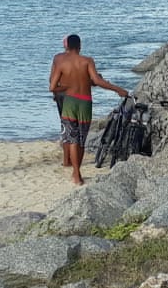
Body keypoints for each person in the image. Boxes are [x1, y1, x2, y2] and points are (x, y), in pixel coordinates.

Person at [49, 34, 128, 185]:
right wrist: (117, 89)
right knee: (81, 140)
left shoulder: (60, 62)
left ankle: (76, 174)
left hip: (69, 102)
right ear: (79, 46)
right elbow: (97, 81)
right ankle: (77, 173)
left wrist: (67, 86)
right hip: (85, 103)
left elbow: (52, 87)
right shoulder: (87, 61)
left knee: (72, 139)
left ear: (67, 46)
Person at [49, 35, 71, 167]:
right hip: (72, 95)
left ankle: (66, 160)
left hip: (59, 94)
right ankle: (71, 160)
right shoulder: (78, 60)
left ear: (65, 46)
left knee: (64, 125)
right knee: (73, 127)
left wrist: (54, 92)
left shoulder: (58, 58)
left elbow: (52, 78)